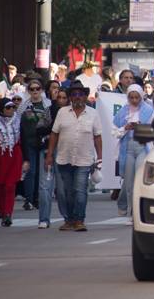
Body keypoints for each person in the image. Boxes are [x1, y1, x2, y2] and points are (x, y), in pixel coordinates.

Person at [45, 80, 103, 231]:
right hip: (64, 158)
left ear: (85, 97)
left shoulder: (93, 114)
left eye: (80, 94)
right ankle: (68, 219)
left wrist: (100, 158)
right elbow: (54, 134)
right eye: (74, 94)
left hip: (84, 159)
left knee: (80, 190)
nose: (77, 97)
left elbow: (97, 137)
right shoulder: (62, 112)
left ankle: (79, 220)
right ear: (70, 97)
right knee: (65, 193)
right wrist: (49, 155)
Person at [0, 98, 30, 226]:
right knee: (0, 186)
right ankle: (3, 213)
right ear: (1, 109)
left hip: (14, 155)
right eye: (8, 107)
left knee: (10, 185)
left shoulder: (18, 121)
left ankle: (8, 213)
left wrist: (26, 159)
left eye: (12, 107)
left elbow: (24, 141)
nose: (11, 110)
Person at [113, 85, 154, 223]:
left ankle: (137, 213)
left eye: (137, 97)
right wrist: (126, 127)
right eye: (131, 97)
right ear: (128, 97)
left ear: (141, 96)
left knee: (138, 179)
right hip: (127, 149)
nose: (134, 100)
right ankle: (130, 211)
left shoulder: (149, 111)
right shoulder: (123, 112)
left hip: (143, 147)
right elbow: (115, 132)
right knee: (129, 182)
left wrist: (140, 127)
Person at [38, 87, 69, 229]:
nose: (61, 100)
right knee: (45, 186)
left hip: (64, 152)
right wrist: (52, 130)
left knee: (62, 189)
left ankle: (68, 217)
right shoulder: (49, 111)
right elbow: (39, 128)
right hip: (47, 150)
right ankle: (44, 218)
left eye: (64, 98)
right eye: (59, 97)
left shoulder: (72, 113)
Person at [20, 78, 52, 211]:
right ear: (28, 91)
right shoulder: (24, 106)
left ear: (41, 90)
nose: (35, 91)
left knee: (42, 172)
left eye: (37, 89)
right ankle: (29, 199)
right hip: (28, 142)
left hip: (43, 142)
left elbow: (51, 123)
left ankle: (39, 198)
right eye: (32, 89)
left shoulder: (47, 105)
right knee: (30, 171)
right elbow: (18, 124)